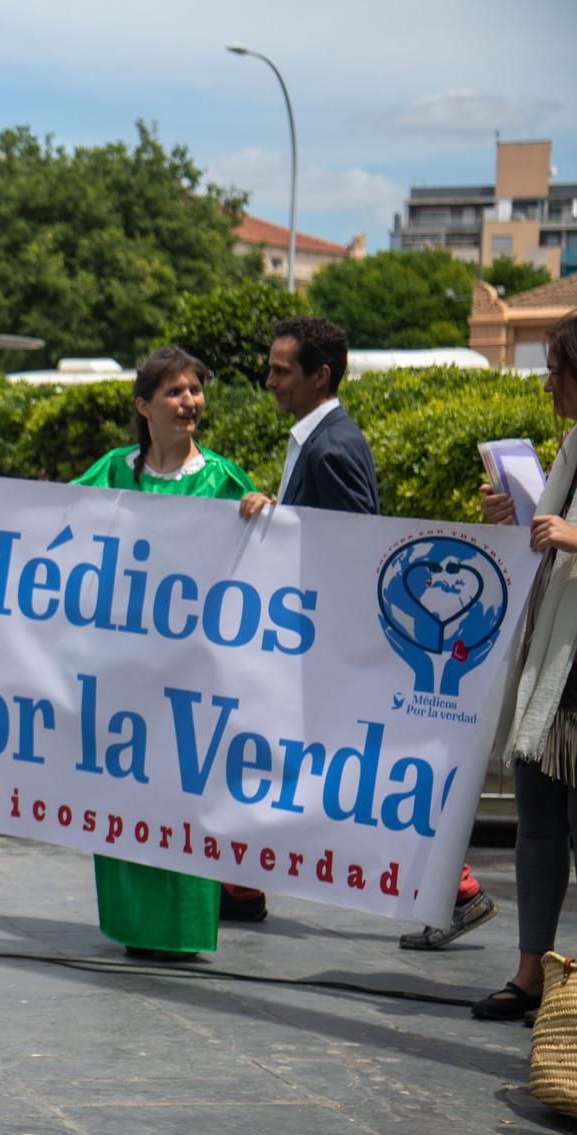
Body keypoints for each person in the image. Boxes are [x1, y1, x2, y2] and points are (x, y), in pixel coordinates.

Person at [241, 316, 494, 946]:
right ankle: (241, 883)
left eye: (280, 370)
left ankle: (457, 888)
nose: (268, 380)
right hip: (318, 638)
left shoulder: (330, 445)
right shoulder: (320, 439)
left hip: (329, 642)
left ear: (318, 375)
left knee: (362, 771)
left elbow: (360, 544)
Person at [471, 309, 577, 1021]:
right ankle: (531, 972)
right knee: (536, 825)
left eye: (556, 370)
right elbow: (553, 544)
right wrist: (516, 517)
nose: (548, 384)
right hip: (552, 671)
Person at [72, 347, 255, 956]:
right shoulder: (113, 470)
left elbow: (272, 562)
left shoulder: (225, 480)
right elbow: (47, 515)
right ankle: (132, 925)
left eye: (195, 390)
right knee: (122, 790)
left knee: (182, 796)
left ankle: (180, 929)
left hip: (191, 675)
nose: (190, 401)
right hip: (121, 670)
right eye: (175, 392)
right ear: (143, 406)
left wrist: (267, 512)